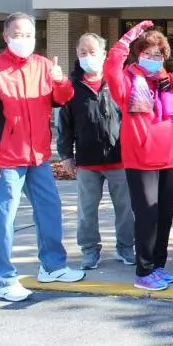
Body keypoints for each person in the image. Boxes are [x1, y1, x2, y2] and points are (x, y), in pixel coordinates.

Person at [0, 12, 84, 302]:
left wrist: (60, 81)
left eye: (29, 35)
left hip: (39, 157)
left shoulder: (45, 66)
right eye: (18, 34)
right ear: (6, 36)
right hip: (6, 159)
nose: (24, 40)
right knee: (4, 219)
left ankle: (53, 266)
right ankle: (5, 280)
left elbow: (62, 98)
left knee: (50, 210)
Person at [104, 20, 173, 292]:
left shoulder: (170, 83)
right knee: (147, 218)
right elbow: (110, 69)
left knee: (163, 216)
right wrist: (126, 39)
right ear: (138, 54)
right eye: (147, 53)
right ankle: (143, 271)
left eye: (158, 54)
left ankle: (158, 266)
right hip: (140, 161)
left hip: (169, 160)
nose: (152, 58)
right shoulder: (127, 81)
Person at [57, 32, 136, 270]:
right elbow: (65, 125)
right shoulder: (71, 88)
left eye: (92, 52)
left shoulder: (118, 82)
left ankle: (125, 248)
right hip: (87, 161)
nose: (88, 56)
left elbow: (132, 119)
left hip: (119, 159)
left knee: (125, 209)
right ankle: (90, 251)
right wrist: (66, 155)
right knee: (86, 211)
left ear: (103, 55)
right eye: (83, 52)